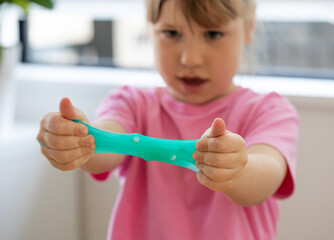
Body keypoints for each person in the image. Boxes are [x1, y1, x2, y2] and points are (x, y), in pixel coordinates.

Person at [37, 0, 299, 239]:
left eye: (213, 34)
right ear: (150, 28)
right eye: (171, 33)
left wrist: (238, 170)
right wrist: (77, 140)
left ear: (249, 26)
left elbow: (267, 174)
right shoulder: (130, 104)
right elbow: (102, 146)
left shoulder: (269, 112)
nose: (190, 59)